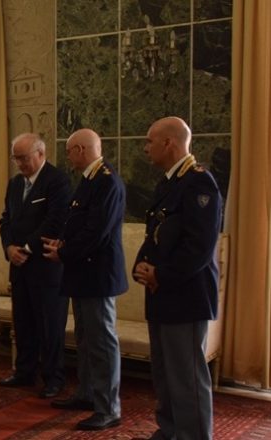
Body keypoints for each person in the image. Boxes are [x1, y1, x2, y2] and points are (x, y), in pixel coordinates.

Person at [134, 116, 221, 440]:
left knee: (186, 376)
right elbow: (156, 233)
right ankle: (169, 430)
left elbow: (199, 247)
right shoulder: (169, 182)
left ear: (168, 143)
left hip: (186, 295)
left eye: (149, 141)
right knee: (164, 372)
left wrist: (161, 274)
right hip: (162, 293)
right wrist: (142, 266)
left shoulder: (199, 182)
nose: (145, 148)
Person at [42, 128, 126, 431]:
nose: (67, 157)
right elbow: (77, 223)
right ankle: (87, 393)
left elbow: (96, 231)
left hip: (98, 275)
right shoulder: (90, 179)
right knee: (86, 339)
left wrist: (64, 253)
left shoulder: (107, 181)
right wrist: (62, 243)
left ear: (81, 149)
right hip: (82, 272)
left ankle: (108, 408)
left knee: (102, 342)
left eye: (69, 151)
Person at [0, 133, 71, 398]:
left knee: (50, 325)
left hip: (46, 267)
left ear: (41, 154)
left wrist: (26, 248)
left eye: (24, 158)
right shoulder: (15, 183)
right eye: (15, 158)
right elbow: (5, 220)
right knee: (23, 321)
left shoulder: (58, 180)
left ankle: (54, 378)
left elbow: (56, 221)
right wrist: (9, 248)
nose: (19, 163)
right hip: (19, 266)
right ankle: (24, 372)